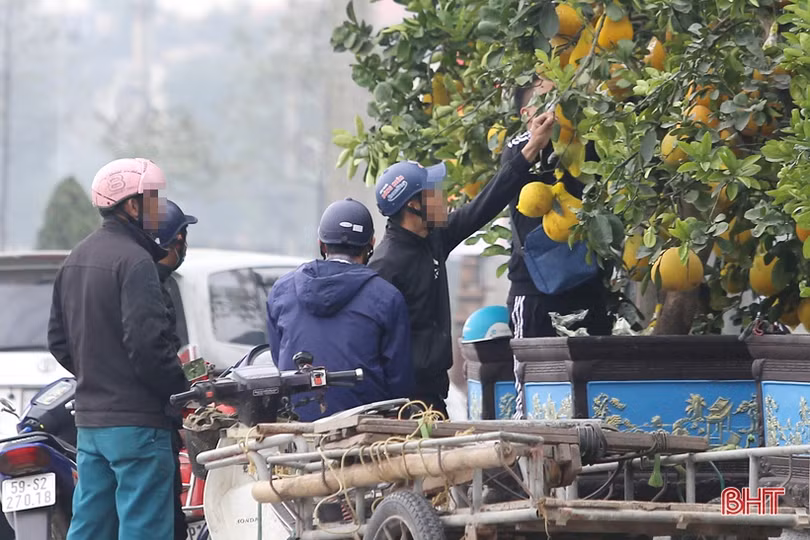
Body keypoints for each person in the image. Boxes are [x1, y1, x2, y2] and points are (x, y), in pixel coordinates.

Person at [369, 110, 556, 417]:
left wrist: (532, 148)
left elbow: (485, 204)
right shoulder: (385, 266)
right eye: (434, 193)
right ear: (413, 206)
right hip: (400, 405)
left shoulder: (433, 238)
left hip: (432, 398)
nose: (443, 198)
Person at [47, 158, 189, 540]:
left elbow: (58, 342)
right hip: (139, 427)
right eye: (154, 200)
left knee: (91, 528)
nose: (159, 210)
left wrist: (98, 374)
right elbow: (149, 347)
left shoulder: (75, 259)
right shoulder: (137, 261)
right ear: (131, 205)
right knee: (143, 528)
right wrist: (182, 392)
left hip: (91, 426)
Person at [504, 75, 612, 419]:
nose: (555, 110)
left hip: (585, 284)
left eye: (561, 99)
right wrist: (538, 141)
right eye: (546, 102)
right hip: (534, 291)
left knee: (594, 393)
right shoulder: (518, 149)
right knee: (533, 395)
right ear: (526, 112)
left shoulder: (584, 143)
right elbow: (511, 169)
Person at [266, 198, 413, 421]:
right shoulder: (387, 298)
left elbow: (279, 359)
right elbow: (399, 382)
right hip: (365, 435)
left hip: (293, 431)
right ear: (371, 244)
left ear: (321, 244)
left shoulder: (281, 290)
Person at [156, 199, 198, 540]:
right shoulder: (153, 283)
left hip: (99, 420)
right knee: (158, 520)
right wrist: (185, 393)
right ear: (177, 241)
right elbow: (155, 354)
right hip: (147, 423)